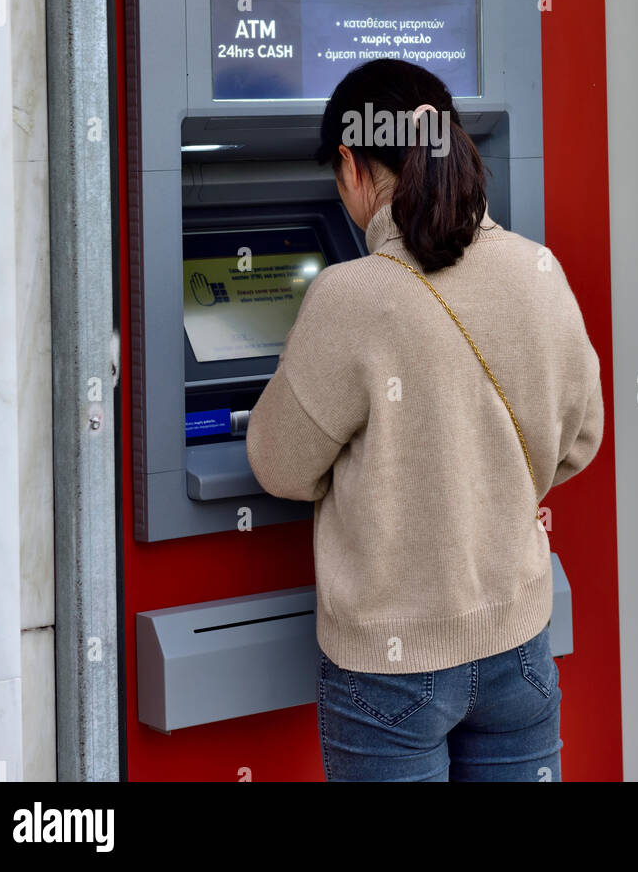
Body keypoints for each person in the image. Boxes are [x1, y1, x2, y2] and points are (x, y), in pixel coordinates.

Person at [246, 58, 603, 782]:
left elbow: (280, 467)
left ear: (350, 163)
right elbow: (580, 437)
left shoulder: (350, 296)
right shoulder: (537, 270)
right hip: (519, 647)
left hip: (389, 669)